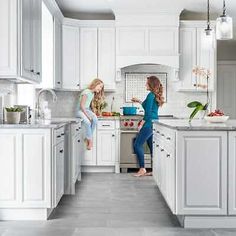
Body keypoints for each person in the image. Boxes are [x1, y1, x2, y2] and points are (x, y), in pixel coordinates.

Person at [131, 76, 164, 177]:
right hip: (154, 123)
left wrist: (141, 123)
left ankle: (142, 169)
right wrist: (139, 101)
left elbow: (148, 113)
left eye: (147, 83)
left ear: (151, 84)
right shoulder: (153, 95)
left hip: (149, 123)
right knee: (152, 147)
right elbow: (148, 107)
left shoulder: (150, 95)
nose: (145, 84)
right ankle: (155, 170)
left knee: (137, 145)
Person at [76, 78, 104, 150]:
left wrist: (93, 113)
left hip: (86, 109)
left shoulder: (92, 93)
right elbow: (82, 106)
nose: (100, 89)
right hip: (80, 110)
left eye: (101, 87)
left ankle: (88, 137)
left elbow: (88, 105)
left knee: (95, 120)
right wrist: (88, 116)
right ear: (95, 84)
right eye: (100, 86)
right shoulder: (86, 92)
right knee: (88, 122)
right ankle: (90, 140)